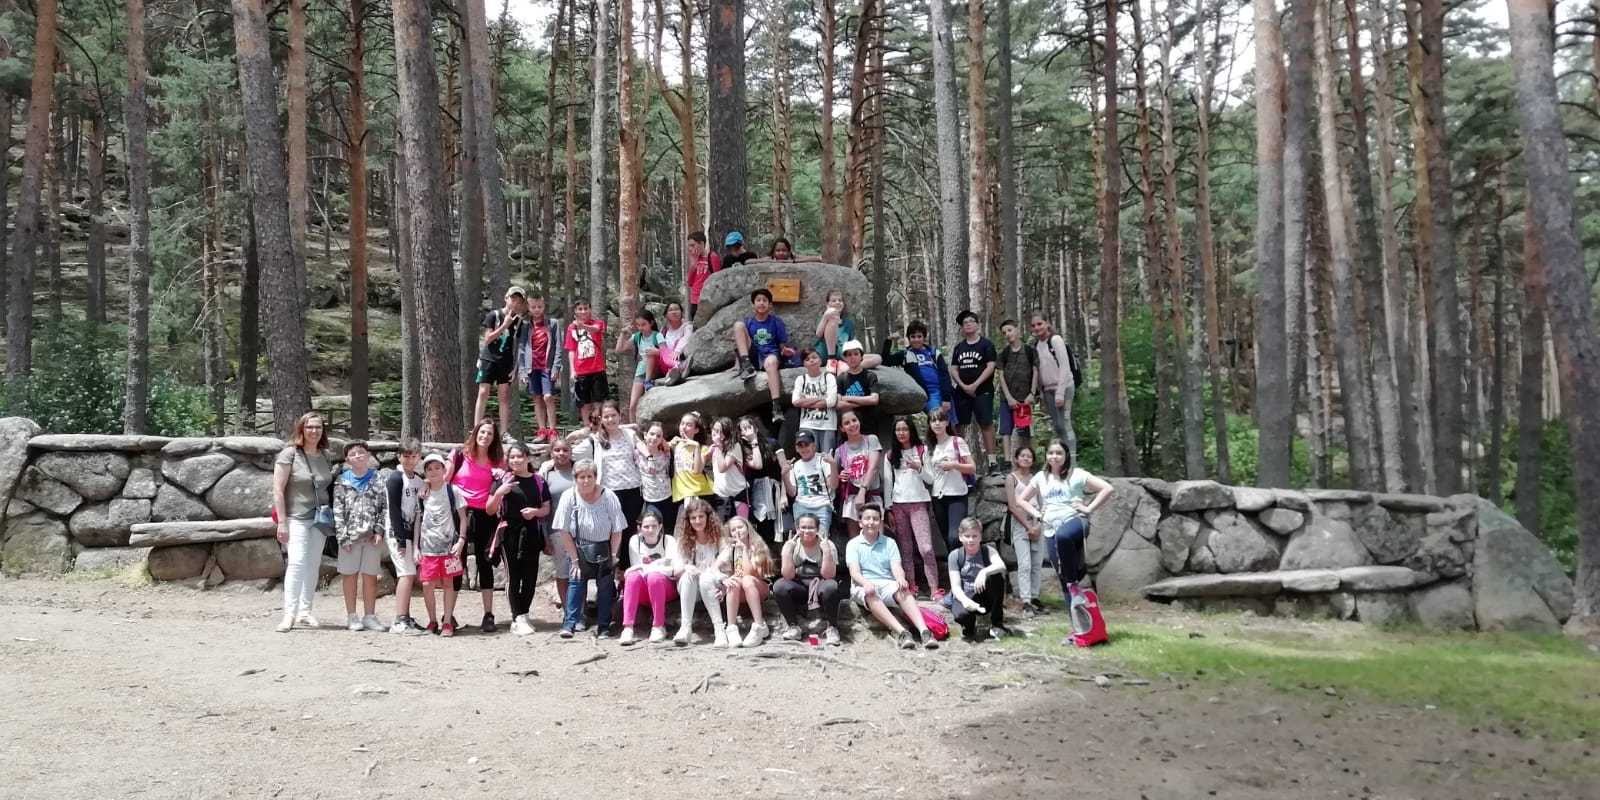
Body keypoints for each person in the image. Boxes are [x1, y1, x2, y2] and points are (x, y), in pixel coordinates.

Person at [1015, 440, 1115, 623]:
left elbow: (1107, 488)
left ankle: (1077, 576)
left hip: (1075, 521)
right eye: (1051, 453)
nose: (1054, 456)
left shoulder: (1077, 473)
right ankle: (1078, 627)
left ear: (1066, 455)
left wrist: (1089, 508)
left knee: (1063, 536)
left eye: (1059, 453)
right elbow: (1020, 500)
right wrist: (1037, 514)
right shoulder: (1040, 477)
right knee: (1064, 577)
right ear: (1046, 455)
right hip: (1050, 528)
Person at [845, 504, 939, 650]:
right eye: (867, 518)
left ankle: (925, 632)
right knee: (870, 593)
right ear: (860, 523)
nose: (871, 522)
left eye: (875, 519)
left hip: (887, 583)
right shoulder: (853, 544)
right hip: (863, 584)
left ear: (880, 522)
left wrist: (901, 578)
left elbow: (896, 567)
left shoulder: (889, 543)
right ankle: (902, 633)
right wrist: (866, 583)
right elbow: (854, 572)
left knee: (903, 590)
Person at [553, 460, 627, 638]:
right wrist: (574, 559)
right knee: (576, 583)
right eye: (581, 477)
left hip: (604, 547)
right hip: (579, 547)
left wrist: (614, 555)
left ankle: (604, 626)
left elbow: (617, 529)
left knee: (605, 587)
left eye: (589, 476)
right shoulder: (569, 496)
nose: (586, 481)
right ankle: (569, 624)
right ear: (575, 478)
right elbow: (563, 530)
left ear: (595, 477)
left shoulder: (608, 496)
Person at [273, 413, 333, 632]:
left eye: (318, 427)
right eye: (309, 427)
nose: (314, 431)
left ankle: (305, 611)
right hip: (296, 517)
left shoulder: (325, 455)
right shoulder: (289, 454)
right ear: (301, 429)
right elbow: (278, 490)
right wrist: (282, 522)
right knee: (297, 562)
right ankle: (289, 614)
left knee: (313, 563)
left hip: (320, 518)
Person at [446, 418, 506, 633]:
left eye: (489, 433)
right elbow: (444, 480)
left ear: (494, 438)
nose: (485, 437)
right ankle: (448, 615)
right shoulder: (459, 455)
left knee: (485, 563)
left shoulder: (498, 461)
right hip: (459, 513)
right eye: (482, 432)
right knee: (455, 563)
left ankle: (488, 614)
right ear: (475, 433)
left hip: (485, 515)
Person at [486, 442, 550, 637]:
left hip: (531, 533)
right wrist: (500, 492)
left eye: (520, 456)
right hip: (509, 534)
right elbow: (489, 509)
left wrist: (535, 512)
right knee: (513, 577)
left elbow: (546, 508)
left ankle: (523, 614)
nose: (516, 460)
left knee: (530, 577)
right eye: (512, 457)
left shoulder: (538, 481)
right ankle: (517, 617)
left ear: (527, 458)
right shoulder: (502, 480)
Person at [583, 402, 646, 574]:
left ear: (620, 416)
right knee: (612, 532)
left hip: (633, 490)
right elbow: (574, 452)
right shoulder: (596, 439)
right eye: (606, 416)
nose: (610, 419)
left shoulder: (629, 434)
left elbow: (645, 449)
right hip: (610, 492)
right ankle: (609, 572)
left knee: (630, 530)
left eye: (613, 415)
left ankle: (628, 571)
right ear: (601, 419)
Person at [333, 441, 388, 633]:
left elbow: (384, 506)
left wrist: (379, 530)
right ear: (347, 459)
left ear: (368, 455)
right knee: (349, 576)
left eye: (361, 452)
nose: (358, 456)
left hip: (372, 537)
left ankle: (370, 615)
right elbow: (338, 510)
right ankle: (352, 615)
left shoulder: (378, 478)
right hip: (349, 537)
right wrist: (342, 537)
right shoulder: (341, 481)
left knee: (370, 576)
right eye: (353, 454)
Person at [415, 453, 469, 636]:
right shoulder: (422, 493)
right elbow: (418, 520)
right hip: (428, 548)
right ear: (425, 472)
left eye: (437, 468)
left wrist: (461, 540)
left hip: (449, 548)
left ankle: (447, 622)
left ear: (444, 470)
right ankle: (432, 621)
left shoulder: (453, 491)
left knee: (448, 583)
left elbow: (463, 518)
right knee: (427, 584)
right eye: (429, 469)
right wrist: (416, 547)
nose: (434, 472)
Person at [886, 417, 939, 598]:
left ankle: (934, 589)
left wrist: (919, 468)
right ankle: (911, 586)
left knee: (926, 548)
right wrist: (888, 508)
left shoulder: (922, 450)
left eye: (905, 429)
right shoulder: (890, 455)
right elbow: (888, 483)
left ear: (911, 431)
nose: (901, 433)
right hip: (898, 505)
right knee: (905, 549)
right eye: (898, 430)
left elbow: (931, 479)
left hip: (919, 503)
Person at [772, 513, 843, 646]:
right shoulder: (791, 545)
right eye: (803, 527)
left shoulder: (828, 545)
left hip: (820, 585)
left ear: (818, 529)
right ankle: (793, 626)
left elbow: (829, 575)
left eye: (811, 527)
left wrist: (826, 552)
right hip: (799, 586)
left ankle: (832, 627)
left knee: (831, 586)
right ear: (797, 529)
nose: (806, 531)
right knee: (779, 586)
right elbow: (788, 575)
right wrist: (787, 552)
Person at [732, 288, 797, 422]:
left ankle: (776, 407)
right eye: (758, 300)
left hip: (770, 354)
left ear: (770, 305)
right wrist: (737, 363)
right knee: (738, 325)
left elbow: (781, 344)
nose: (761, 303)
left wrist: (784, 350)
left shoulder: (776, 322)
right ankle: (746, 364)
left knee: (771, 363)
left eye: (765, 300)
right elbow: (741, 344)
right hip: (754, 355)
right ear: (753, 304)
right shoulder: (749, 322)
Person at [384, 439, 428, 634]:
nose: (410, 460)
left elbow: (419, 512)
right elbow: (393, 509)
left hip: (411, 533)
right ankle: (399, 620)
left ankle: (406, 617)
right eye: (406, 456)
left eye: (414, 456)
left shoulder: (418, 481)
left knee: (409, 574)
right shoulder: (395, 478)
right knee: (406, 573)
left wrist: (416, 542)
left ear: (419, 457)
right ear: (399, 457)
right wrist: (400, 538)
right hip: (397, 533)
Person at [673, 497, 729, 646]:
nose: (697, 521)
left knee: (705, 578)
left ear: (708, 517)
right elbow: (676, 569)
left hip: (712, 585)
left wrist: (724, 585)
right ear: (688, 520)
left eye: (701, 516)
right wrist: (686, 567)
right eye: (693, 518)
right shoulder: (683, 540)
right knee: (687, 576)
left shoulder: (720, 538)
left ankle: (719, 630)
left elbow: (727, 565)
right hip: (691, 588)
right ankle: (685, 628)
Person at [474, 286, 530, 437]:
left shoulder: (519, 321)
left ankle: (504, 432)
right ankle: (476, 428)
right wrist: (504, 325)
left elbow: (518, 346)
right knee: (483, 392)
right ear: (506, 299)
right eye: (513, 299)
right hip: (488, 358)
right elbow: (487, 339)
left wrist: (516, 367)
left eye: (519, 301)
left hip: (506, 362)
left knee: (504, 396)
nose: (515, 303)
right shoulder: (494, 315)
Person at [619, 510, 680, 646]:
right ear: (639, 528)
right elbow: (637, 570)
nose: (650, 530)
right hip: (644, 590)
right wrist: (660, 564)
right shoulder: (635, 541)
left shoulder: (669, 540)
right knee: (633, 577)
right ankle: (628, 628)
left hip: (665, 588)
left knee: (654, 577)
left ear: (660, 526)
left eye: (654, 526)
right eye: (646, 527)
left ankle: (658, 626)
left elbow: (672, 569)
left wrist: (651, 567)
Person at [948, 310, 998, 472]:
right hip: (962, 391)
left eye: (971, 321)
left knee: (986, 423)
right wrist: (963, 385)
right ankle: (960, 459)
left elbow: (991, 366)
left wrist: (975, 385)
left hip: (982, 391)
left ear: (977, 325)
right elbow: (954, 368)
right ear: (962, 328)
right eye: (965, 323)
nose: (968, 324)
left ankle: (992, 461)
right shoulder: (959, 347)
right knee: (959, 424)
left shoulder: (986, 345)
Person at [947, 517, 1008, 642]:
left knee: (997, 577)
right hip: (966, 595)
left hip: (984, 594)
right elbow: (955, 586)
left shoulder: (988, 550)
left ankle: (997, 623)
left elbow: (1001, 565)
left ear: (980, 537)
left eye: (974, 536)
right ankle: (969, 626)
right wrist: (965, 601)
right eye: (967, 536)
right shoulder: (955, 555)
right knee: (961, 615)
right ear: (960, 537)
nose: (971, 540)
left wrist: (984, 572)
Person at [719, 516, 775, 647]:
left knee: (747, 580)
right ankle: (731, 628)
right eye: (733, 530)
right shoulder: (732, 548)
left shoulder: (758, 546)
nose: (737, 531)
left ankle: (759, 625)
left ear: (748, 528)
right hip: (742, 590)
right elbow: (732, 572)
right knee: (734, 582)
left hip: (759, 587)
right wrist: (724, 583)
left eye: (740, 527)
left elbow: (751, 573)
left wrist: (743, 550)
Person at [540, 439, 579, 622]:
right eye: (557, 450)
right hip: (556, 530)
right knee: (563, 573)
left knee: (579, 572)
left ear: (571, 452)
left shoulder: (579, 471)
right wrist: (545, 537)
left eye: (565, 450)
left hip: (580, 530)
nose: (561, 453)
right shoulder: (546, 474)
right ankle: (568, 612)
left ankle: (580, 611)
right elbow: (542, 506)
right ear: (551, 453)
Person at [882, 320, 953, 419]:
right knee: (937, 418)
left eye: (919, 336)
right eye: (913, 337)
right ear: (909, 338)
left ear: (924, 337)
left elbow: (944, 375)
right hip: (926, 394)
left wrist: (946, 398)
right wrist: (889, 340)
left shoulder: (933, 353)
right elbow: (885, 361)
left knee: (952, 422)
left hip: (942, 391)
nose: (916, 340)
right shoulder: (905, 354)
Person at [1030, 312, 1078, 459]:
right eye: (1033, 325)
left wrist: (1060, 392)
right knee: (1057, 426)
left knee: (1065, 423)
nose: (1037, 328)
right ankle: (1062, 459)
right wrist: (1040, 393)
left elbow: (1065, 366)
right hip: (1047, 390)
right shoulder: (1036, 345)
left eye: (1040, 324)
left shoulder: (1055, 340)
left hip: (1064, 387)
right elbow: (1039, 370)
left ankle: (1072, 460)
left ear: (1047, 323)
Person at [518, 292, 564, 442]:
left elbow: (558, 347)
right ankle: (542, 430)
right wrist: (523, 370)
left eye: (539, 306)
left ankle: (553, 431)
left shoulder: (553, 323)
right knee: (537, 398)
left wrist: (556, 367)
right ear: (528, 307)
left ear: (544, 306)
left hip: (547, 367)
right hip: (532, 367)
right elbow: (522, 348)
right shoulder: (526, 325)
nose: (536, 310)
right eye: (533, 307)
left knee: (548, 397)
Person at [927, 408, 975, 552]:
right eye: (933, 420)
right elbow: (929, 475)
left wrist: (954, 465)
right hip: (937, 496)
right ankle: (954, 564)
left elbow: (972, 468)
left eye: (940, 420)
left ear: (947, 422)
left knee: (955, 537)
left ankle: (963, 562)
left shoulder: (957, 441)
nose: (937, 423)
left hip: (957, 494)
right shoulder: (930, 447)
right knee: (946, 539)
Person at [1006, 444, 1046, 615]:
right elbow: (1012, 505)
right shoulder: (1011, 478)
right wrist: (1028, 527)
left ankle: (1035, 596)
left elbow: (1043, 504)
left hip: (1037, 523)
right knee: (1025, 564)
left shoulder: (1038, 479)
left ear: (1033, 460)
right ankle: (1026, 600)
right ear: (1016, 459)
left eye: (1029, 456)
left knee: (1037, 563)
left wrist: (1037, 526)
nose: (1026, 458)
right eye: (1022, 455)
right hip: (1020, 524)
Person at [995, 319, 1039, 467]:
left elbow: (1035, 371)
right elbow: (1001, 376)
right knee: (1006, 430)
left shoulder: (1030, 351)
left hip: (1025, 399)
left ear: (1017, 330)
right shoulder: (1003, 354)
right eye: (1004, 333)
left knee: (1025, 431)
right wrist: (1008, 398)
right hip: (1007, 398)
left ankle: (1027, 461)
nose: (1007, 334)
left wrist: (1032, 393)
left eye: (1010, 330)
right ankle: (1008, 461)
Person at [779, 430, 838, 538]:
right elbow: (792, 493)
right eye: (800, 446)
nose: (804, 448)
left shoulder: (823, 460)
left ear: (814, 446)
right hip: (801, 506)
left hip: (822, 505)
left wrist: (833, 464)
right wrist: (784, 475)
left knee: (821, 539)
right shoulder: (795, 465)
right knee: (802, 539)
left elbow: (833, 485)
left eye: (806, 444)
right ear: (796, 448)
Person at [834, 410, 883, 538]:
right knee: (855, 540)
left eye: (854, 420)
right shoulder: (840, 451)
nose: (852, 424)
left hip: (871, 495)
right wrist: (840, 476)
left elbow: (873, 467)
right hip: (852, 499)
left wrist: (862, 492)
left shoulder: (871, 440)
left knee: (877, 538)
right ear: (842, 428)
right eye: (847, 423)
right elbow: (834, 479)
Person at [738, 415, 784, 546]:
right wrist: (754, 442)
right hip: (755, 494)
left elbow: (784, 467)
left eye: (748, 427)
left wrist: (784, 494)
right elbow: (757, 465)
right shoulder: (742, 449)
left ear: (756, 428)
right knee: (761, 530)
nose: (746, 431)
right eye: (742, 429)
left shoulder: (773, 443)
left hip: (775, 491)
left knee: (778, 531)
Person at [615, 308, 664, 422]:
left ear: (651, 323)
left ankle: (648, 382)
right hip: (641, 371)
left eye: (644, 324)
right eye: (638, 325)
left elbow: (665, 352)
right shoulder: (637, 336)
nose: (641, 328)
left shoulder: (657, 335)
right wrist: (623, 334)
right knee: (633, 405)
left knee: (650, 353)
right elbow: (619, 350)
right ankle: (634, 428)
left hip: (655, 370)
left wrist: (655, 351)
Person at [566, 299, 609, 424]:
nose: (583, 311)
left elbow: (595, 330)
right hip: (580, 371)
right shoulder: (571, 328)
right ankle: (587, 427)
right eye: (580, 309)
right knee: (584, 403)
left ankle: (600, 426)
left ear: (590, 310)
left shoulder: (598, 323)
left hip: (597, 369)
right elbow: (571, 350)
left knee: (599, 402)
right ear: (575, 311)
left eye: (586, 308)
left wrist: (582, 326)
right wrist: (572, 371)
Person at [791, 348, 838, 453]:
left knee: (827, 456)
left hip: (827, 425)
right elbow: (795, 401)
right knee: (810, 456)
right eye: (807, 359)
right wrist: (820, 398)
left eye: (814, 357)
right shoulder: (801, 379)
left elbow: (831, 401)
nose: (811, 360)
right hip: (807, 424)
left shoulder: (829, 377)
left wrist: (805, 401)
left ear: (820, 360)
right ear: (804, 363)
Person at [834, 340, 881, 435]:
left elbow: (874, 399)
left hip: (868, 425)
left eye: (856, 354)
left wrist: (846, 398)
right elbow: (838, 404)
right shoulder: (841, 378)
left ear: (861, 357)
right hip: (849, 427)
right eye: (849, 355)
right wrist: (865, 401)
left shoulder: (870, 376)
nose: (852, 357)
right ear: (845, 358)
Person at [670, 411, 715, 511]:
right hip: (681, 495)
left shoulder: (702, 448)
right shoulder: (674, 446)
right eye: (682, 423)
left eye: (689, 425)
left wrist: (696, 446)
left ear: (696, 430)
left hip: (699, 494)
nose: (684, 427)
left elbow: (697, 471)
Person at [636, 420, 675, 535]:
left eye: (658, 436)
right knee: (652, 531)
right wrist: (649, 457)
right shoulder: (638, 453)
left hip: (667, 497)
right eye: (652, 434)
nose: (654, 438)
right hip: (650, 499)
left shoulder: (666, 452)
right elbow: (636, 441)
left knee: (668, 531)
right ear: (645, 434)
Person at [709, 416, 749, 521]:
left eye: (720, 431)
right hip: (721, 496)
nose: (716, 433)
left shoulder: (735, 446)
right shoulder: (713, 448)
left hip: (738, 494)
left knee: (741, 525)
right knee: (723, 528)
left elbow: (723, 468)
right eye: (714, 430)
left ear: (726, 433)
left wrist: (718, 446)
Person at [686, 231, 722, 319]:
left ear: (701, 244)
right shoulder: (693, 258)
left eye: (693, 245)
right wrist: (693, 264)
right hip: (694, 300)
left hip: (707, 298)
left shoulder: (712, 257)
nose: (690, 248)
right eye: (689, 246)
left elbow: (718, 279)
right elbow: (690, 282)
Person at [658, 301, 694, 374]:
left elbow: (686, 338)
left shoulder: (687, 326)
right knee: (661, 350)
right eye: (670, 310)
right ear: (666, 315)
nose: (674, 312)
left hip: (680, 358)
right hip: (665, 363)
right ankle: (680, 366)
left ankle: (675, 370)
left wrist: (678, 350)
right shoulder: (664, 330)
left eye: (677, 309)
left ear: (681, 312)